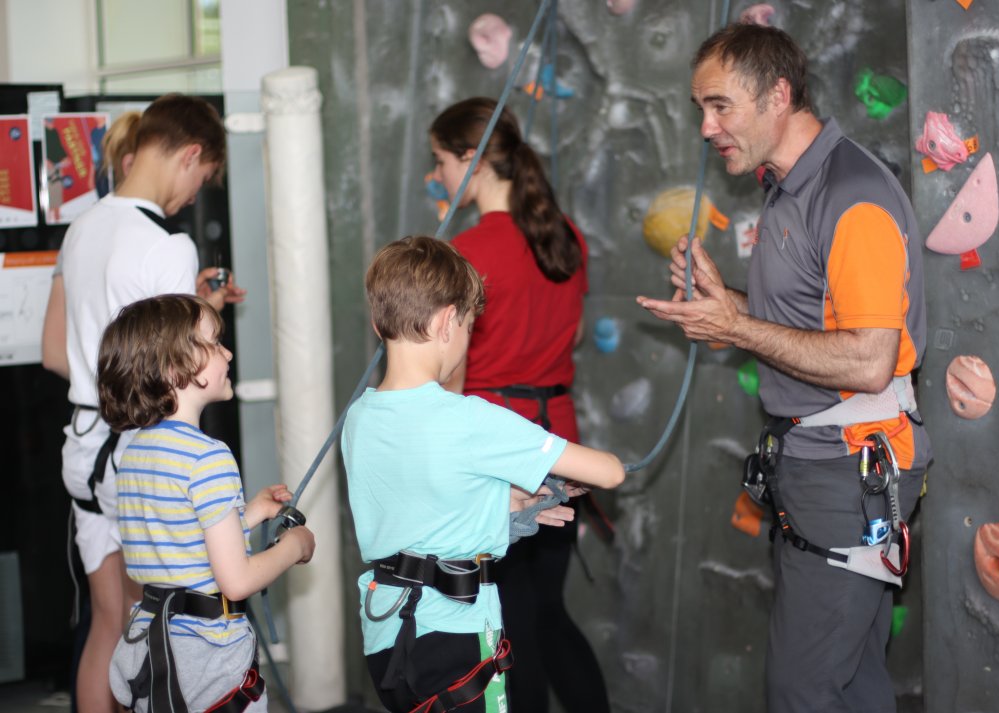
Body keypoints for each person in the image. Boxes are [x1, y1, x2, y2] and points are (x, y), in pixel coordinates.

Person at [637, 24, 931, 713]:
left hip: (851, 466)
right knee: (851, 681)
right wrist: (728, 304)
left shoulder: (851, 196)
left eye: (720, 106)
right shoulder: (790, 190)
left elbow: (867, 358)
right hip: (820, 463)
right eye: (698, 110)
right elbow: (811, 326)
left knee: (803, 691)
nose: (706, 127)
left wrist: (736, 325)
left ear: (777, 94)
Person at [342, 236, 626, 713]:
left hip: (385, 633)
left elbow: (419, 501)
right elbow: (610, 471)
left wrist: (501, 501)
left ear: (377, 322)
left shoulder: (359, 418)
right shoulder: (473, 419)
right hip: (456, 637)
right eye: (470, 326)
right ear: (447, 322)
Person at [40, 93, 246, 713]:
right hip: (141, 450)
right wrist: (207, 313)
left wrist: (195, 301)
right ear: (190, 156)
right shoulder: (169, 244)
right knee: (159, 626)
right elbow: (183, 360)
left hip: (83, 448)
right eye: (202, 179)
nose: (191, 196)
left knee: (110, 623)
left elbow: (54, 351)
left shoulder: (81, 227)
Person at [428, 97, 612, 713]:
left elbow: (443, 367)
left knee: (511, 622)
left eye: (441, 162)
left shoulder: (469, 251)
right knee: (546, 611)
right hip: (556, 442)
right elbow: (575, 335)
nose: (439, 177)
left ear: (471, 163)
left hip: (494, 449)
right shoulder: (566, 237)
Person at [95, 294, 315, 712]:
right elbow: (236, 581)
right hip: (208, 662)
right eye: (214, 343)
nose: (228, 352)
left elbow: (182, 538)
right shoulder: (208, 456)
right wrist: (295, 546)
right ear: (174, 368)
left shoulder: (136, 454)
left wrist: (249, 512)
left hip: (154, 652)